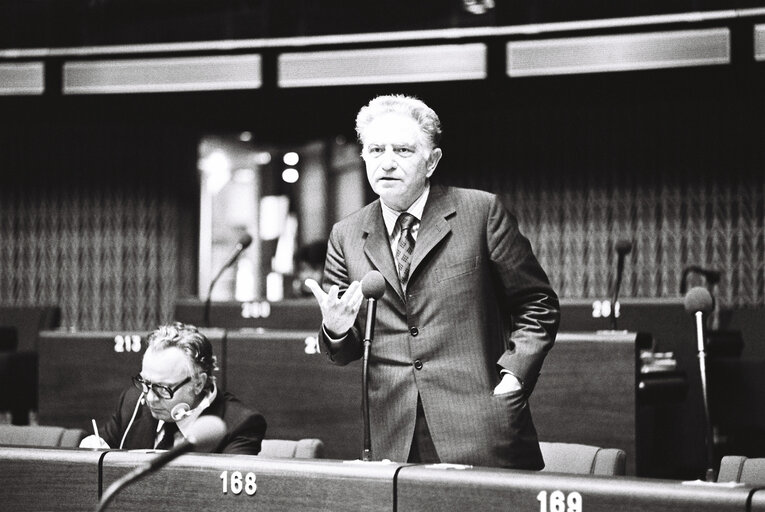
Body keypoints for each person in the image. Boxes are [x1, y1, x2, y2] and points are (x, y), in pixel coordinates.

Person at [305, 94, 559, 469]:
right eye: (375, 149)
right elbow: (344, 351)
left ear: (432, 161)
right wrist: (336, 329)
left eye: (403, 150)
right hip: (392, 431)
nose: (386, 162)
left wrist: (514, 379)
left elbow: (537, 303)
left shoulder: (480, 212)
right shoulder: (346, 234)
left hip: (479, 421)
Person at [80, 322, 266, 454]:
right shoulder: (132, 402)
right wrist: (92, 450)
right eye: (145, 383)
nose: (150, 398)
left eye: (163, 388)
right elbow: (102, 447)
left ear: (198, 383)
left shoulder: (240, 425)